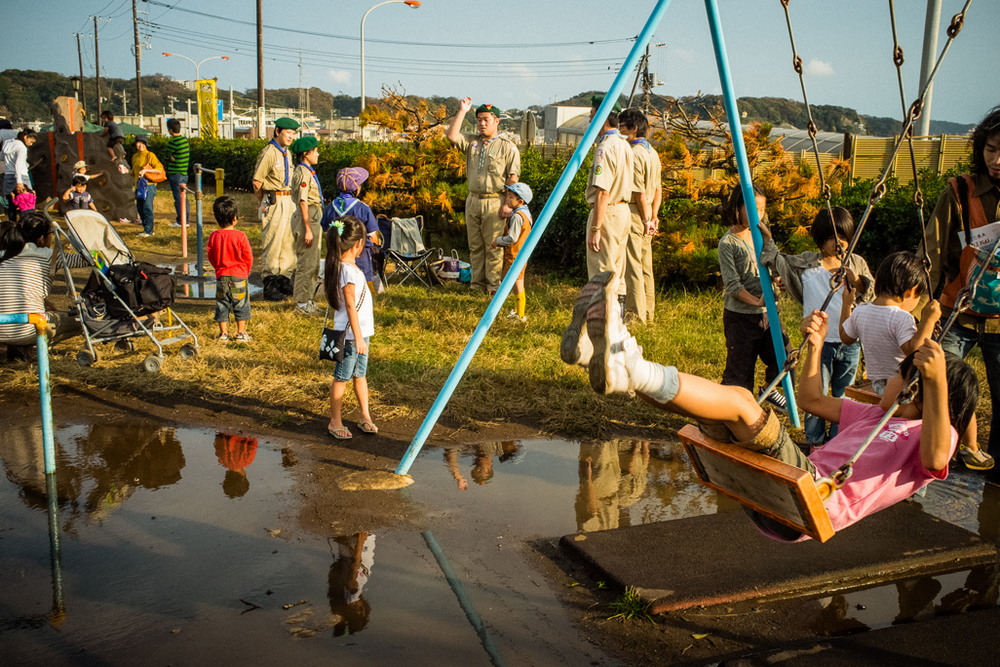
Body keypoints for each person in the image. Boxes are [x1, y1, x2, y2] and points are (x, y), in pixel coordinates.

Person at [563, 270, 979, 541]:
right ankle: (602, 359)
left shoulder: (927, 439)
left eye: (899, 380)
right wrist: (814, 345)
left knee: (743, 401)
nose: (884, 381)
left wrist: (938, 382)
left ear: (918, 396)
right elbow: (813, 399)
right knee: (710, 411)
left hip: (810, 495)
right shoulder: (875, 415)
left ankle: (630, 366)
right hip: (783, 489)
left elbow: (939, 453)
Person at [760, 206, 874, 446]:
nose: (838, 243)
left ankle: (838, 441)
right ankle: (815, 440)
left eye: (843, 238)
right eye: (832, 238)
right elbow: (778, 262)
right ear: (820, 239)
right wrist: (769, 241)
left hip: (849, 342)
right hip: (818, 343)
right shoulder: (807, 264)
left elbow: (870, 291)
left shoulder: (856, 263)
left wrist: (855, 279)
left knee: (843, 395)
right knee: (815, 394)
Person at [926, 105, 1000, 474]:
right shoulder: (960, 192)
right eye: (990, 149)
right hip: (957, 313)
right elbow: (933, 251)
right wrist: (927, 310)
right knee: (942, 389)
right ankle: (939, 463)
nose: (997, 160)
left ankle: (995, 475)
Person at [717, 185, 788, 410]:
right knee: (739, 373)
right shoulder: (728, 243)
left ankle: (769, 389)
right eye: (752, 208)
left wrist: (778, 278)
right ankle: (727, 414)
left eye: (762, 209)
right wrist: (755, 300)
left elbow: (772, 263)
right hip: (741, 319)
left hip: (769, 315)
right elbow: (732, 285)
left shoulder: (760, 235)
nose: (759, 214)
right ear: (737, 208)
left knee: (785, 357)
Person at [446, 98, 521, 294]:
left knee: (494, 246)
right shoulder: (472, 142)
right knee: (476, 247)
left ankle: (493, 287)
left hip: (495, 201)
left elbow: (513, 178)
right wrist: (462, 111)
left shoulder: (507, 146)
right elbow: (452, 136)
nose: (482, 123)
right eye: (479, 119)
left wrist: (508, 204)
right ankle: (477, 286)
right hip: (473, 200)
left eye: (486, 119)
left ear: (496, 120)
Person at [840, 251, 941, 395]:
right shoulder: (901, 317)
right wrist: (928, 321)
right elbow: (914, 351)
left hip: (877, 384)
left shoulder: (860, 311)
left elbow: (845, 338)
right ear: (910, 292)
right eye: (918, 296)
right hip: (901, 385)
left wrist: (846, 305)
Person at [0, 212, 90, 357]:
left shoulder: (3, 254)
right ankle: (32, 345)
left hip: (1, 327)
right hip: (29, 329)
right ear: (42, 238)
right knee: (82, 321)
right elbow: (89, 259)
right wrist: (77, 239)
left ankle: (16, 347)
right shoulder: (50, 255)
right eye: (50, 235)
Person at [324, 215, 376, 439]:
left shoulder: (350, 268)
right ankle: (335, 421)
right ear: (358, 244)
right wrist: (359, 337)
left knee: (360, 375)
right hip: (352, 336)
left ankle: (365, 416)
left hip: (361, 335)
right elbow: (350, 306)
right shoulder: (347, 271)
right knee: (342, 377)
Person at [586, 95, 634, 319]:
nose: (589, 120)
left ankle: (604, 321)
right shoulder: (624, 144)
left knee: (602, 269)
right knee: (618, 269)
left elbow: (602, 191)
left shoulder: (605, 147)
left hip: (607, 211)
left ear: (601, 117)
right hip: (623, 211)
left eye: (592, 115)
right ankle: (619, 319)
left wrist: (596, 229)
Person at [618, 108, 662, 323]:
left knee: (633, 267)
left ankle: (636, 316)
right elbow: (658, 190)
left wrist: (645, 219)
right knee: (646, 268)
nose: (620, 132)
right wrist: (654, 217)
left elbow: (639, 192)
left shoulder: (634, 154)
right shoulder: (652, 152)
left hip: (637, 213)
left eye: (622, 128)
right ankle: (649, 314)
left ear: (634, 128)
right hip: (650, 213)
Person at [253, 117, 300, 301]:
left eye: (293, 133)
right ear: (278, 131)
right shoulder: (269, 152)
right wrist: (262, 202)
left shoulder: (286, 153)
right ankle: (271, 282)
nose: (291, 136)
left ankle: (285, 279)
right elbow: (257, 181)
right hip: (274, 200)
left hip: (288, 200)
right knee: (273, 241)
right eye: (288, 132)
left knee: (288, 242)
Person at [206, 196, 253, 343]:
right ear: (235, 218)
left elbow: (211, 255)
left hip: (222, 275)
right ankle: (241, 332)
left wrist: (218, 268)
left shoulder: (214, 236)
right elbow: (248, 256)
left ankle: (223, 334)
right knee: (241, 303)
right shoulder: (240, 236)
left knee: (222, 303)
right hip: (239, 275)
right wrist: (246, 271)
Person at [327, 167, 379, 293]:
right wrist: (377, 245)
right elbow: (373, 235)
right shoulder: (363, 208)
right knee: (364, 276)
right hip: (360, 252)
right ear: (357, 188)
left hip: (337, 251)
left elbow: (326, 229)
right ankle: (366, 295)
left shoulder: (330, 208)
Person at [289, 135, 324, 315]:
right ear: (305, 153)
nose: (317, 154)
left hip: (313, 214)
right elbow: (303, 201)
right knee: (306, 263)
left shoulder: (308, 171)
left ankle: (309, 299)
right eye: (315, 151)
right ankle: (302, 303)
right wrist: (308, 229)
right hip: (307, 216)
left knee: (313, 262)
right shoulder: (302, 173)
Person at [491, 181, 533, 323]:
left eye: (510, 197)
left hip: (516, 255)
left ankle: (520, 315)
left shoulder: (517, 216)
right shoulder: (524, 213)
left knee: (517, 284)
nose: (507, 199)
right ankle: (516, 311)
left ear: (520, 201)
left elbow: (512, 238)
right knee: (515, 285)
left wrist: (498, 240)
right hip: (519, 255)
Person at [130, 136, 165, 238]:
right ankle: (146, 229)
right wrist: (126, 171)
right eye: (138, 143)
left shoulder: (150, 156)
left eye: (143, 143)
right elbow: (134, 172)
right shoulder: (135, 157)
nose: (141, 145)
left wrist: (146, 170)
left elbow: (159, 170)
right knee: (140, 208)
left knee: (147, 207)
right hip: (138, 186)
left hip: (148, 185)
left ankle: (149, 230)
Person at [2, 128, 36, 222]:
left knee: (11, 205)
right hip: (21, 176)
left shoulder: (7, 143)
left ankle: (12, 225)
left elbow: (2, 156)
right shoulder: (22, 148)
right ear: (25, 137)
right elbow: (18, 164)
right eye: (31, 141)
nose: (31, 144)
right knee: (28, 205)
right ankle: (28, 226)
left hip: (8, 175)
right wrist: (19, 182)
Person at [162, 118, 190, 229]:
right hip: (184, 172)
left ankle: (180, 221)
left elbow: (166, 155)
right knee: (184, 197)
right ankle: (186, 220)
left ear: (170, 130)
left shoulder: (173, 141)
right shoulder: (184, 140)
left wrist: (170, 158)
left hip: (175, 173)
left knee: (178, 198)